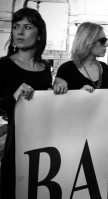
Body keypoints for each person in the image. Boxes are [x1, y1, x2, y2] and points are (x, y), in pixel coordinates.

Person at [0, 7, 56, 198]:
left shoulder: (45, 67)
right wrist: (14, 97)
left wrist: (58, 93)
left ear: (39, 35)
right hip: (16, 148)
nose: (19, 32)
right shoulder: (3, 65)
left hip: (46, 146)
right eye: (16, 27)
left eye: (27, 27)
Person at [54, 22, 108, 93]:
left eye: (106, 41)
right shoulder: (66, 69)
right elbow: (59, 99)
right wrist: (79, 93)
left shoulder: (104, 67)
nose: (107, 44)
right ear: (88, 41)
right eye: (102, 41)